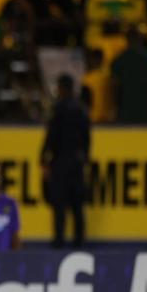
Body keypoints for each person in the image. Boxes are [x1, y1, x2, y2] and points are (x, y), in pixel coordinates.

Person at [42, 74, 91, 249]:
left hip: (60, 161)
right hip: (77, 162)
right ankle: (79, 241)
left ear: (63, 88)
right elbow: (87, 139)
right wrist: (85, 159)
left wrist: (44, 158)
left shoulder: (58, 109)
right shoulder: (82, 110)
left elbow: (51, 136)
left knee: (59, 204)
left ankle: (59, 241)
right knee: (77, 204)